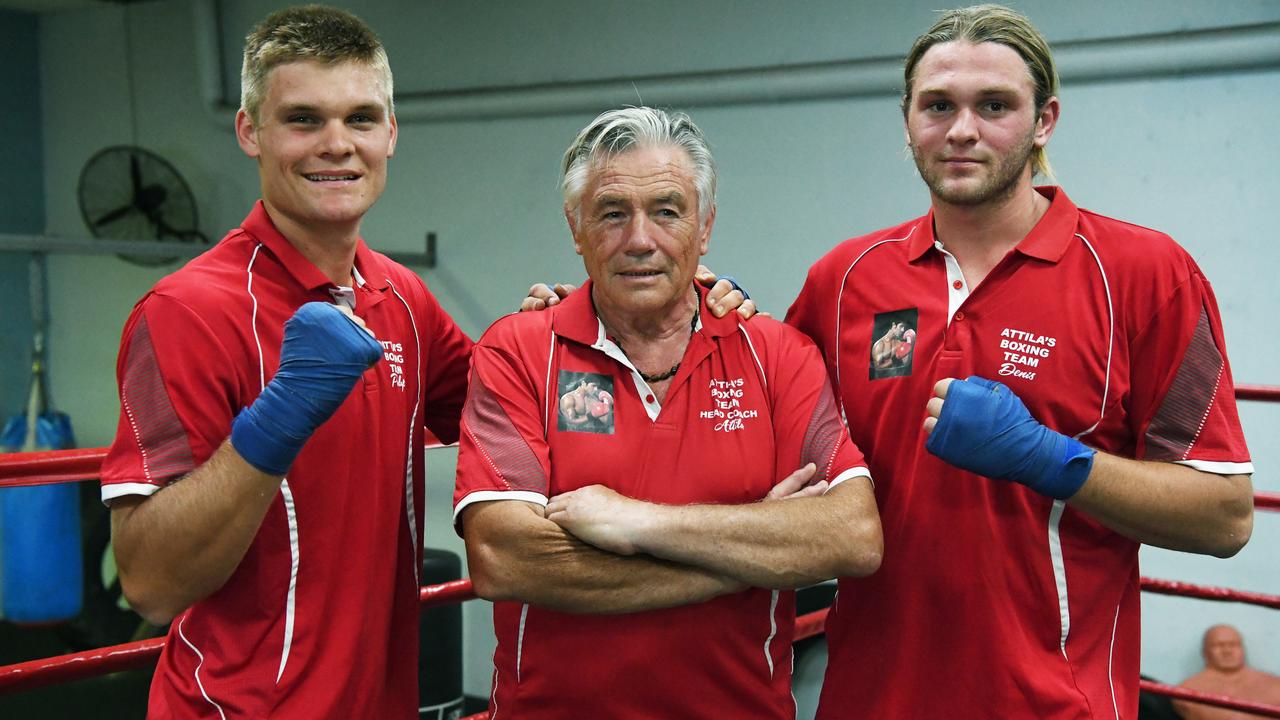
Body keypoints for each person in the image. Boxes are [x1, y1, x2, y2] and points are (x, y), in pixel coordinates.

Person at [782, 5, 1255, 718]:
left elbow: (1224, 517)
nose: (963, 129)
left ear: (1044, 121)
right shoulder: (843, 279)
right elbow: (747, 420)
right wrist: (613, 312)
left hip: (1056, 704)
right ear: (906, 121)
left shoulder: (1147, 275)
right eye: (937, 105)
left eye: (994, 105)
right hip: (870, 700)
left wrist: (1050, 458)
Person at [98, 6, 475, 717]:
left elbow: (517, 402)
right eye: (304, 119)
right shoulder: (184, 311)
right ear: (251, 132)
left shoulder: (403, 297)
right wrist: (278, 419)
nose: (337, 144)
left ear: (391, 134)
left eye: (361, 118)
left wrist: (635, 312)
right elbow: (148, 582)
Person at [453, 107, 882, 719]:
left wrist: (638, 523)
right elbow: (504, 557)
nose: (640, 239)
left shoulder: (776, 354)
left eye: (666, 210)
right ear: (575, 229)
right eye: (611, 213)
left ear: (703, 228)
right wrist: (746, 559)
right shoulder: (518, 350)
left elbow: (854, 536)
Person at [1173, 625, 1280, 719]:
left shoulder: (1275, 685)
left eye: (1233, 644)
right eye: (1218, 645)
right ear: (1205, 652)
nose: (1227, 651)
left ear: (1242, 649)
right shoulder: (1188, 691)